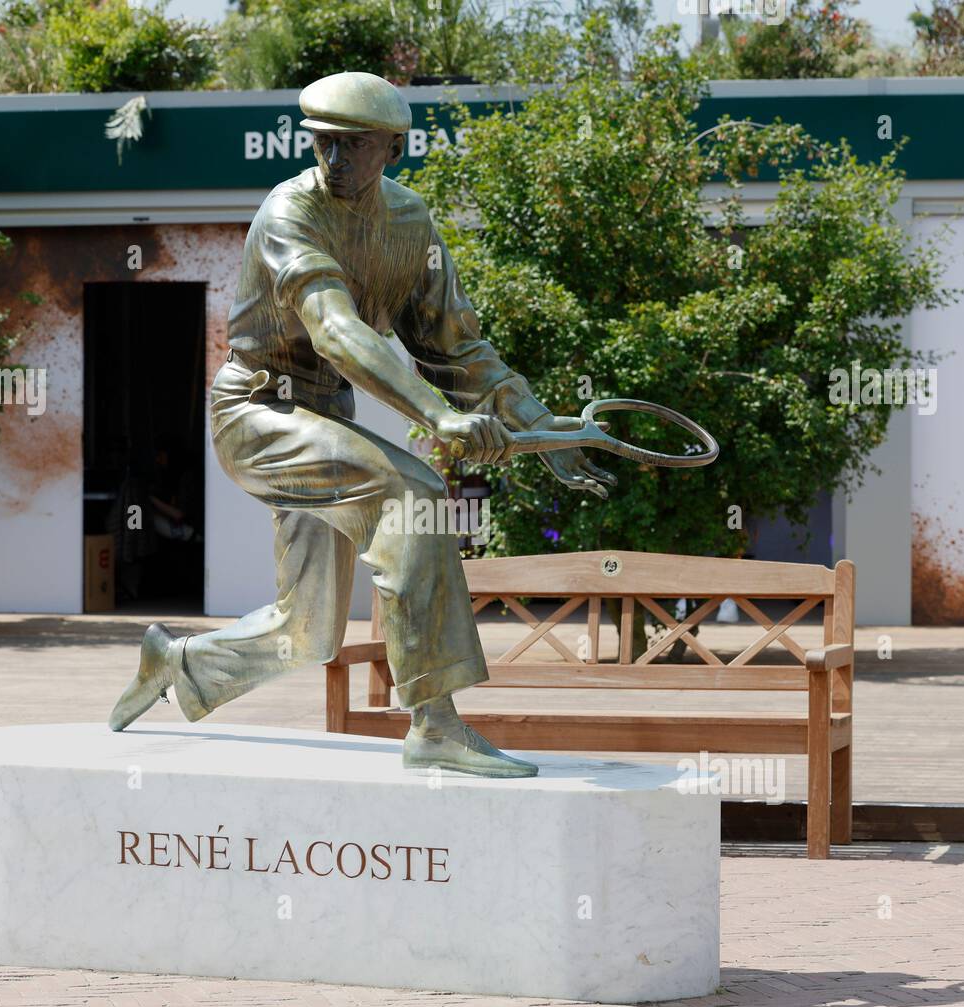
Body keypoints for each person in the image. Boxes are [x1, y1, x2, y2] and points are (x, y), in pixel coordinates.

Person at [108, 72, 615, 777]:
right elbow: (337, 331)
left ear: (393, 150)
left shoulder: (411, 224)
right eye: (323, 142)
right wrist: (435, 414)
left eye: (353, 145)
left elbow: (455, 345)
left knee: (309, 631)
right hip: (258, 412)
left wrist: (533, 421)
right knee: (412, 494)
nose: (334, 159)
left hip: (324, 418)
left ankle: (180, 661)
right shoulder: (290, 211)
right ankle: (435, 723)